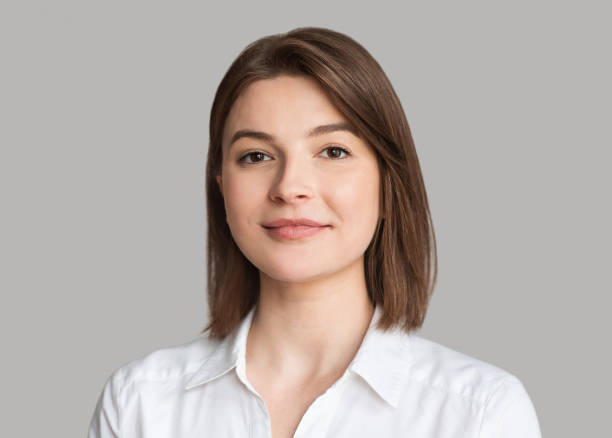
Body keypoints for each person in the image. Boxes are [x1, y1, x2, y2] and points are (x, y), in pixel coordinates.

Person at [88, 26, 542, 438]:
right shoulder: (139, 404)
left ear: (389, 183)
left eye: (332, 150)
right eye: (256, 156)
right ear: (221, 187)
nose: (290, 188)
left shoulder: (479, 414)